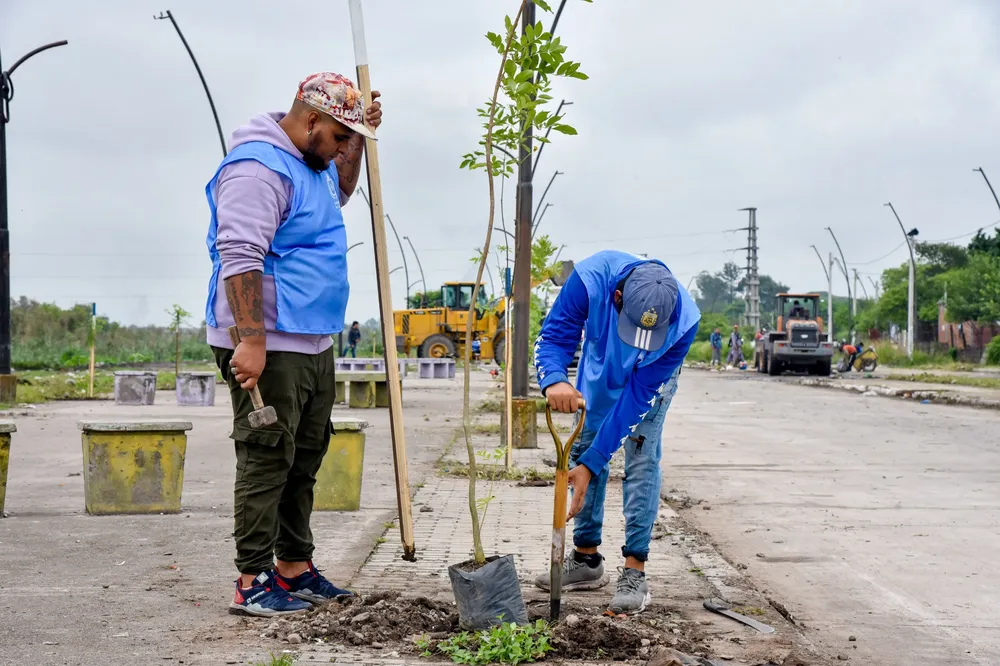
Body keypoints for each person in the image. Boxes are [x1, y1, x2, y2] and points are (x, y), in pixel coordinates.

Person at [204, 72, 382, 616]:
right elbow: (239, 254)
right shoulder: (258, 168)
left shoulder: (315, 163)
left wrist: (363, 134)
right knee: (267, 456)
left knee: (304, 457)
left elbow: (342, 190)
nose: (345, 150)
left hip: (311, 338)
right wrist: (251, 340)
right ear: (310, 121)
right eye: (341, 137)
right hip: (268, 341)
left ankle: (293, 568)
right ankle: (251, 579)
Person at [533, 250, 701, 613]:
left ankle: (635, 572)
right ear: (618, 297)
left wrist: (594, 465)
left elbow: (637, 397)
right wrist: (554, 380)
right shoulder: (590, 280)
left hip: (649, 382)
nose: (638, 342)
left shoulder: (685, 322)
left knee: (641, 456)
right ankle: (586, 559)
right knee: (587, 446)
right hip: (600, 369)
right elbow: (555, 337)